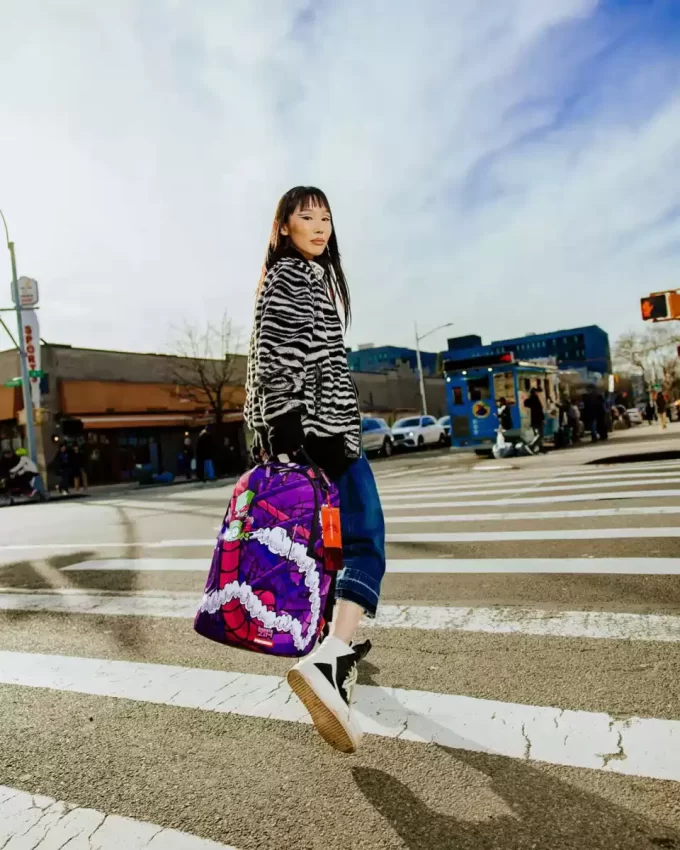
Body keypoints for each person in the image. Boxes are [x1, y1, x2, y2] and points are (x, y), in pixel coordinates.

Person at [244, 186, 386, 754]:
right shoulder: (293, 276)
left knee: (327, 548)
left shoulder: (301, 276)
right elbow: (278, 357)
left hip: (312, 434)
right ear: (284, 226)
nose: (320, 225)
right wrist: (290, 434)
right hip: (323, 436)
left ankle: (333, 649)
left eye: (326, 216)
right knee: (365, 541)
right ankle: (331, 660)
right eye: (307, 216)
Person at [523, 387, 545, 453]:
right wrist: (543, 418)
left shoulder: (529, 400)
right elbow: (540, 409)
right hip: (538, 419)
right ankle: (531, 446)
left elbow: (525, 403)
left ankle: (540, 448)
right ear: (534, 393)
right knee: (540, 435)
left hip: (533, 420)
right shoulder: (535, 399)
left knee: (537, 435)